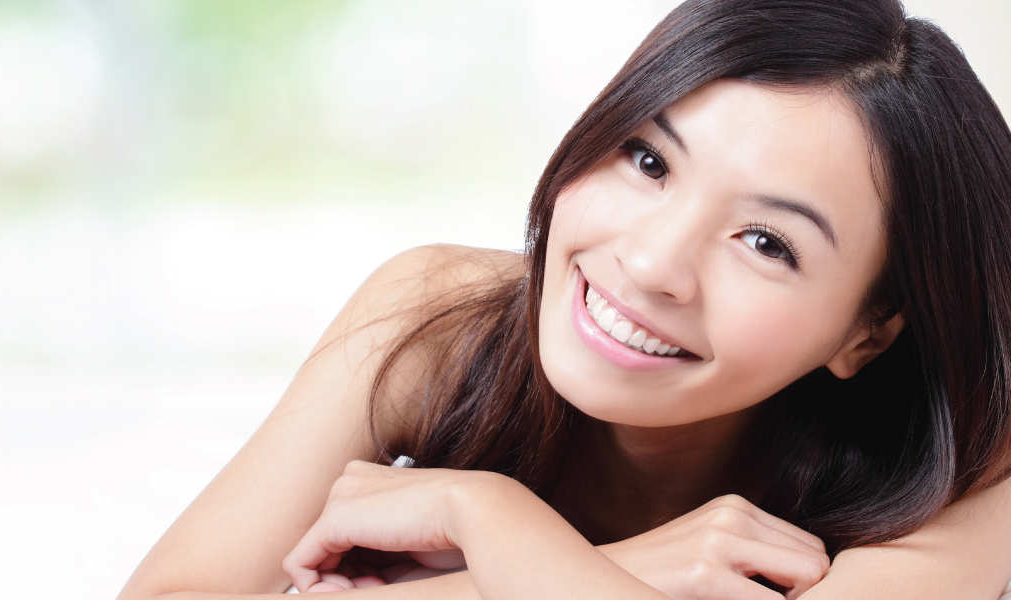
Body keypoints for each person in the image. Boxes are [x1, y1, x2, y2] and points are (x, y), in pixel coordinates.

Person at [117, 0, 1011, 598]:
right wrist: (618, 569)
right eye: (649, 160)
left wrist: (485, 521)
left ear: (869, 330)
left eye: (766, 243)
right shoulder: (438, 320)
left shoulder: (973, 462)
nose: (654, 262)